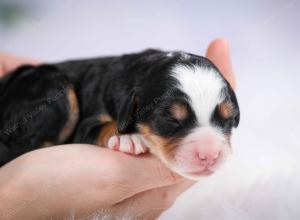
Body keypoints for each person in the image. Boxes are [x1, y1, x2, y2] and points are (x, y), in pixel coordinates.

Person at [0, 39, 236, 219]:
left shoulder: (146, 89)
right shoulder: (127, 95)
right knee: (53, 96)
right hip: (27, 94)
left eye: (224, 120)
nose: (209, 150)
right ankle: (23, 148)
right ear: (132, 107)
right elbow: (88, 128)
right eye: (173, 121)